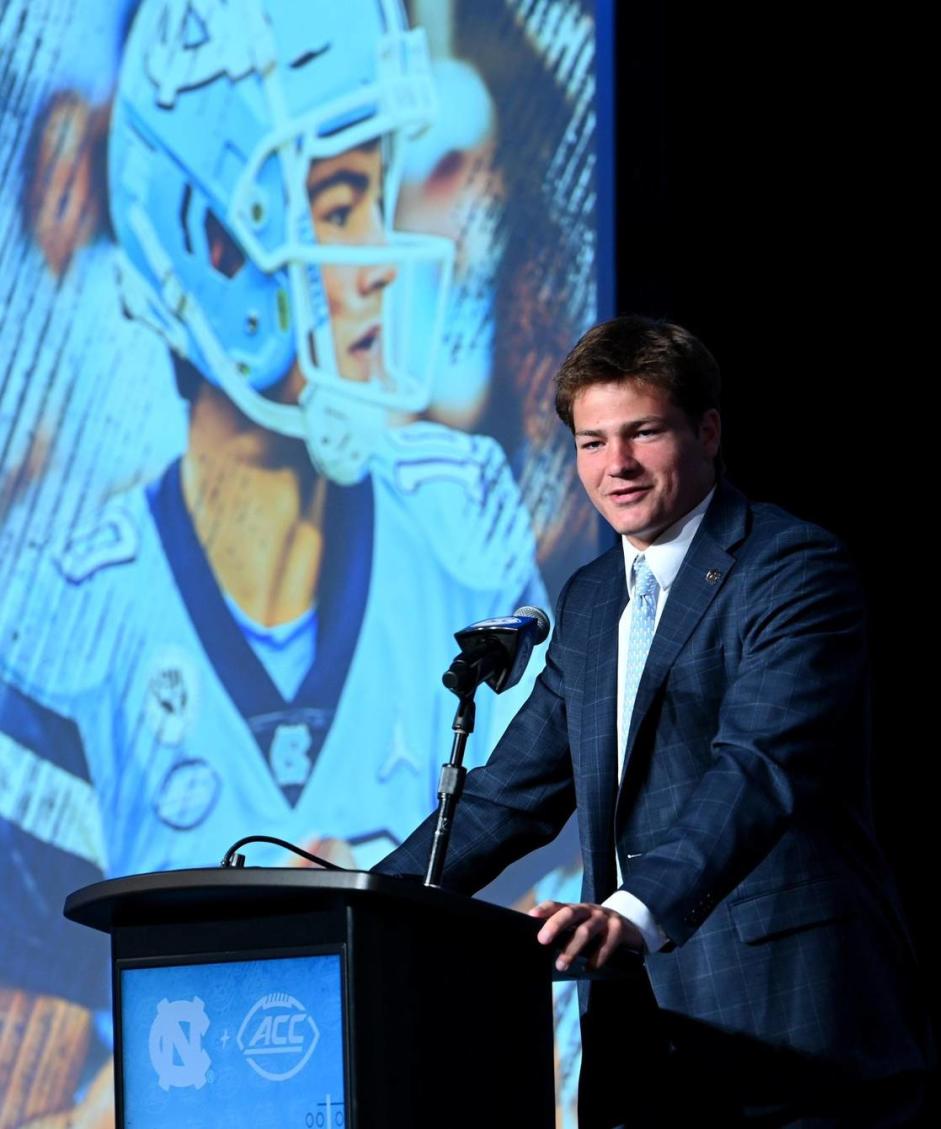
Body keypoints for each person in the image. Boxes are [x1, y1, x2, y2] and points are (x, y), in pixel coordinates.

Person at [0, 3, 547, 1127]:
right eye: (338, 205)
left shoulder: (463, 524)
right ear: (212, 243)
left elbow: (563, 987)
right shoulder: (68, 616)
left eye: (372, 197)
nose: (380, 262)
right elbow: (29, 1108)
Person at [376, 314, 933, 1127]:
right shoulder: (593, 596)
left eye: (642, 432)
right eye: (593, 442)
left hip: (794, 1030)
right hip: (645, 1046)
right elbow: (511, 794)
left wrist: (631, 911)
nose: (616, 466)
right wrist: (364, 903)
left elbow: (759, 768)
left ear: (707, 431)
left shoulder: (792, 569)